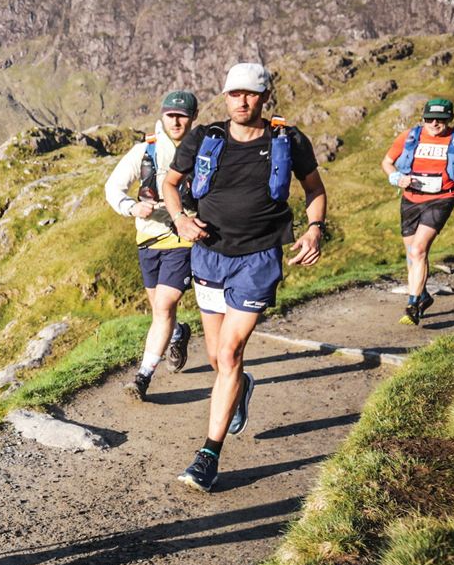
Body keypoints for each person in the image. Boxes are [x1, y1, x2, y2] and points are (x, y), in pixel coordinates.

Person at [162, 63, 326, 492]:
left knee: (230, 353)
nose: (241, 101)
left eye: (250, 94)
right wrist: (179, 218)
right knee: (218, 359)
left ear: (265, 96)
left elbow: (314, 188)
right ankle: (241, 386)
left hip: (258, 260)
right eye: (234, 94)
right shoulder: (205, 138)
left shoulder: (287, 140)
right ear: (225, 96)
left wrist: (313, 229)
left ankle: (207, 457)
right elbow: (171, 183)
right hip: (209, 258)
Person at [104, 91, 199, 400]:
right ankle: (177, 333)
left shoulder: (202, 150)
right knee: (160, 309)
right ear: (162, 116)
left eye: (183, 116)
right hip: (148, 239)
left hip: (182, 238)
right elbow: (113, 187)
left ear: (192, 119)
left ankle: (142, 377)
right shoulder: (145, 151)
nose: (176, 121)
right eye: (171, 115)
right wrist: (132, 208)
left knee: (163, 306)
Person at [381, 98, 454, 325]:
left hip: (442, 198)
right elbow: (387, 162)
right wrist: (396, 178)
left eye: (441, 119)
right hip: (411, 199)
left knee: (419, 250)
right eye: (429, 118)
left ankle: (412, 303)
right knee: (411, 254)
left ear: (450, 119)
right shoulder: (409, 136)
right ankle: (423, 296)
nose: (434, 123)